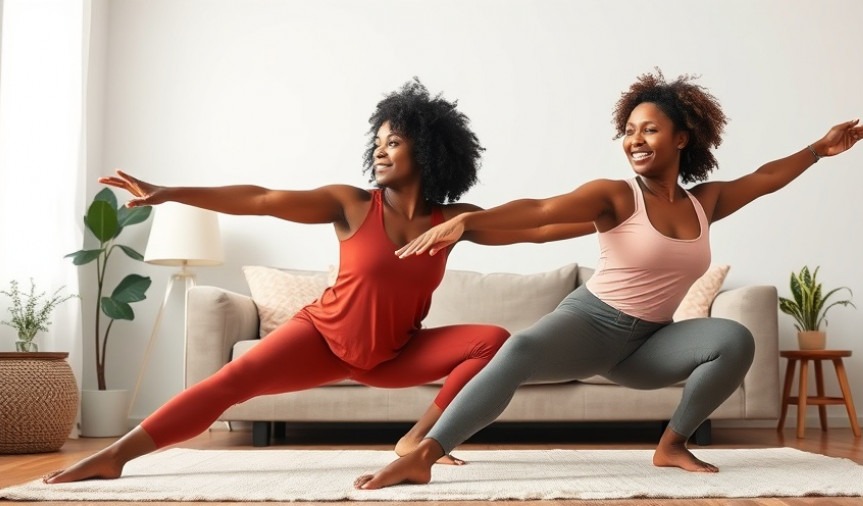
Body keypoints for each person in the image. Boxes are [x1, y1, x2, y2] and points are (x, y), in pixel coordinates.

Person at [44, 79, 596, 484]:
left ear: (428, 151)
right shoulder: (351, 204)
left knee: (493, 341)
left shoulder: (452, 223)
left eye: (395, 141)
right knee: (227, 384)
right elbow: (259, 199)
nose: (380, 149)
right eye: (377, 140)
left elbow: (542, 226)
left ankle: (415, 440)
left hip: (396, 354)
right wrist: (170, 192)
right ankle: (117, 455)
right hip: (323, 339)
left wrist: (616, 216)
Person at [355, 70, 863, 490]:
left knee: (733, 338)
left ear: (682, 137)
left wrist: (818, 149)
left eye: (649, 128)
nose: (635, 139)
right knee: (514, 352)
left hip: (650, 343)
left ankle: (672, 443)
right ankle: (426, 453)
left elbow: (763, 180)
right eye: (628, 130)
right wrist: (472, 222)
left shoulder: (705, 204)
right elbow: (542, 211)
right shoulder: (616, 195)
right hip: (588, 326)